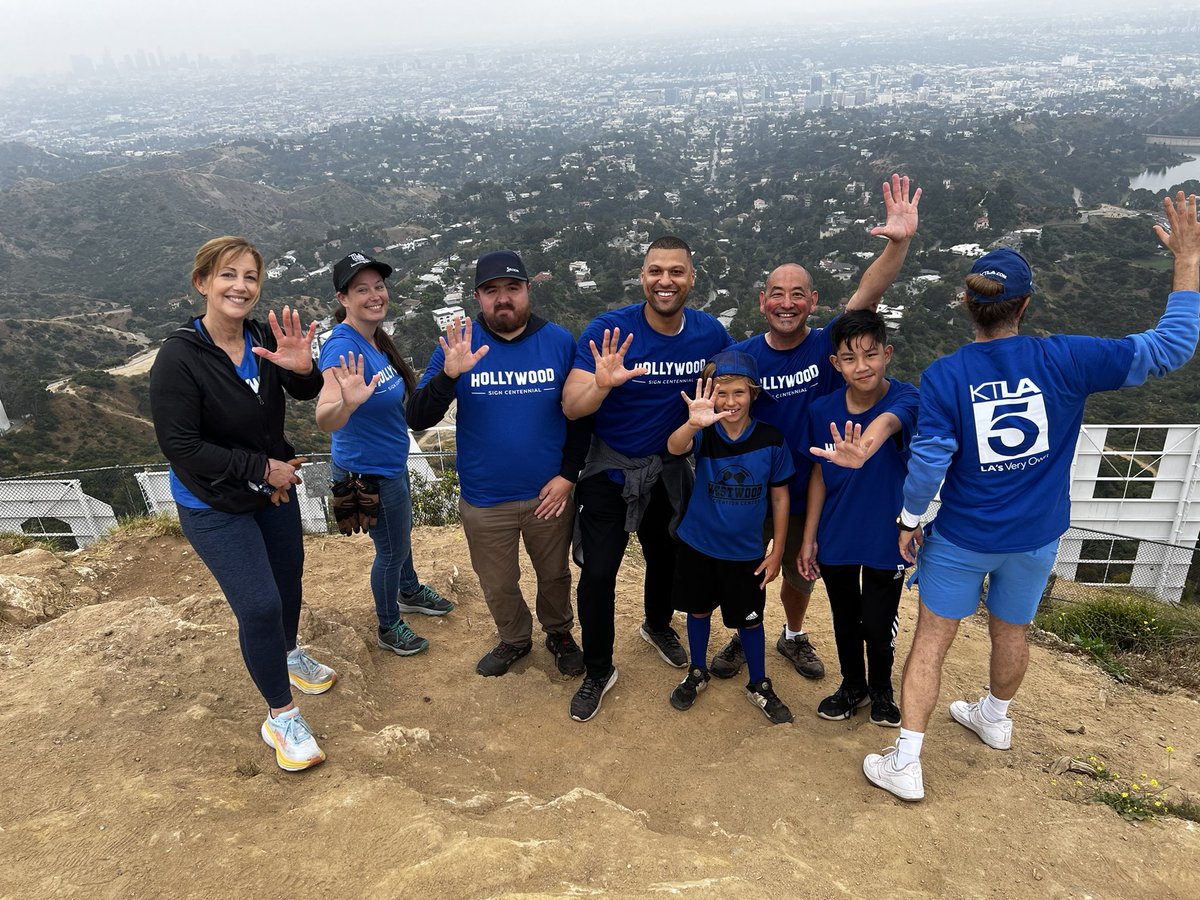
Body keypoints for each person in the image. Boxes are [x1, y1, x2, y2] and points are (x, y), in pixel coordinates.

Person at [864, 192, 1200, 802]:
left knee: (933, 639)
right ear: (1024, 304)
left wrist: (911, 519)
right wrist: (1188, 262)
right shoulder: (1067, 358)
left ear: (969, 304)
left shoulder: (947, 374)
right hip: (1038, 534)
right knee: (1011, 629)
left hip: (965, 535)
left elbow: (931, 461)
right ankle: (995, 717)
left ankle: (908, 761)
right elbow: (1171, 346)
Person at [709, 174, 922, 684]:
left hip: (814, 483)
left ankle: (793, 635)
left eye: (798, 295)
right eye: (777, 294)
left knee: (804, 570)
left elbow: (871, 292)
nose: (787, 303)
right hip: (755, 483)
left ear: (812, 300)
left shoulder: (831, 347)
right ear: (763, 301)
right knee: (749, 564)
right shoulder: (742, 356)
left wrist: (900, 242)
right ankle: (745, 631)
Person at [150, 235, 334, 773]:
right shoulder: (179, 357)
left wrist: (303, 368)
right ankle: (280, 715)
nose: (240, 286)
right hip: (213, 502)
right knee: (257, 605)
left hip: (270, 491)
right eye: (228, 274)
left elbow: (303, 392)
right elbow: (181, 446)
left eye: (250, 276)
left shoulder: (259, 338)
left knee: (288, 582)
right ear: (202, 282)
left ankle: (286, 653)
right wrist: (260, 467)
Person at [562, 235, 733, 722]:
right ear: (642, 277)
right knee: (597, 573)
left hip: (670, 465)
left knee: (668, 555)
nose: (666, 281)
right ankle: (598, 668)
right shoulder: (610, 331)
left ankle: (657, 624)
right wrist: (601, 383)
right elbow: (573, 406)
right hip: (610, 467)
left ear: (691, 278)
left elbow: (738, 382)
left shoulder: (709, 333)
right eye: (656, 270)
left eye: (676, 271)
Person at [408, 250, 590, 678]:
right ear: (478, 296)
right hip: (485, 498)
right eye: (492, 291)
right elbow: (416, 416)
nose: (503, 299)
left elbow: (581, 416)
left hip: (549, 493)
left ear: (528, 290)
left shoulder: (559, 341)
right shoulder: (460, 344)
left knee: (554, 575)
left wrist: (568, 476)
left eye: (512, 288)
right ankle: (514, 639)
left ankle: (559, 632)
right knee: (498, 584)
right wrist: (448, 376)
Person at [316, 251, 453, 658]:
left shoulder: (374, 338)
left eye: (379, 286)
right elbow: (325, 416)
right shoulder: (342, 347)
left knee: (398, 534)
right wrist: (347, 405)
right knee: (390, 549)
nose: (374, 295)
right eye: (362, 289)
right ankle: (388, 624)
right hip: (369, 470)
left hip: (388, 461)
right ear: (343, 298)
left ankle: (409, 590)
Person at [798, 310, 918, 726]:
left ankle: (881, 690)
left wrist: (863, 448)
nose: (861, 366)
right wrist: (809, 537)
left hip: (888, 536)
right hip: (837, 533)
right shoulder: (821, 410)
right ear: (835, 364)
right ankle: (852, 686)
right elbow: (817, 474)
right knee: (845, 616)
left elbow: (887, 423)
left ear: (887, 354)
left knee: (879, 621)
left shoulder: (906, 397)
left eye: (870, 355)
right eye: (849, 358)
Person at [665, 351, 795, 724]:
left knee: (750, 620)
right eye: (721, 393)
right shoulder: (704, 432)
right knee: (698, 608)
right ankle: (697, 670)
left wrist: (778, 549)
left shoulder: (771, 439)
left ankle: (759, 682)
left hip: (746, 552)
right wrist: (693, 423)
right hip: (698, 543)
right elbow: (674, 448)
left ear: (753, 394)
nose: (730, 402)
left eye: (738, 393)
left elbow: (780, 495)